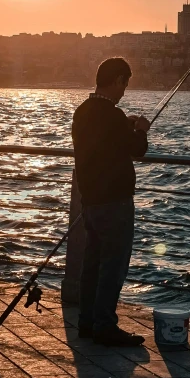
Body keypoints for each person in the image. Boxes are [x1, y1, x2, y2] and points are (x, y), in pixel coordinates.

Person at [71, 57, 150, 346]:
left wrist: (124, 126)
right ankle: (105, 324)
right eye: (125, 83)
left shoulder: (83, 111)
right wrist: (140, 128)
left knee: (91, 264)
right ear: (118, 80)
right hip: (114, 202)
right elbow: (137, 149)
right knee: (113, 266)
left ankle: (87, 322)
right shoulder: (113, 117)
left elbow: (104, 145)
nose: (125, 90)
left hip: (90, 201)